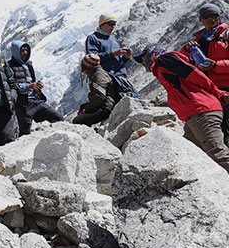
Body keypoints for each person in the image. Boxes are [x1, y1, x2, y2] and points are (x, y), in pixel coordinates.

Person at [136, 43, 229, 173]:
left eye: (142, 58)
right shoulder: (163, 65)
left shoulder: (163, 59)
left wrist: (218, 92)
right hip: (194, 114)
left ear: (150, 53)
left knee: (217, 153)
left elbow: (195, 75)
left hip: (200, 110)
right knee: (192, 154)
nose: (142, 63)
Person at [6, 40, 63, 135]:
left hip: (36, 101)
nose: (25, 53)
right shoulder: (8, 67)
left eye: (26, 50)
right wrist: (29, 86)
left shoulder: (28, 65)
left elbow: (32, 81)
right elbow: (11, 86)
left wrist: (37, 85)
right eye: (22, 50)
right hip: (22, 105)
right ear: (16, 51)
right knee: (25, 133)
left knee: (58, 118)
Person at [85, 14, 136, 96]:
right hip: (105, 77)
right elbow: (92, 58)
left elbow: (117, 60)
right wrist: (113, 53)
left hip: (120, 77)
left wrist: (126, 57)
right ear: (102, 24)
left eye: (114, 24)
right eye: (111, 24)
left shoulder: (113, 38)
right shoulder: (93, 38)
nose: (113, 27)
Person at [73, 53, 121, 126]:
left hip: (106, 107)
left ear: (87, 65)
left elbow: (99, 97)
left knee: (77, 121)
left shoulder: (98, 76)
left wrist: (86, 108)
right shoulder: (98, 73)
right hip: (107, 104)